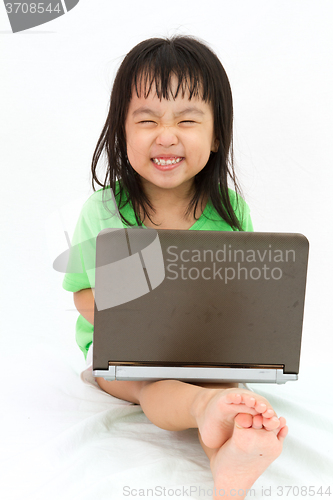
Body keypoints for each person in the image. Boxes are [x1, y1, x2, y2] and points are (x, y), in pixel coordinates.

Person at [62, 36, 288, 499]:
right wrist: (131, 326)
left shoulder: (230, 212)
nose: (167, 136)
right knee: (155, 384)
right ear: (122, 131)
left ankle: (230, 458)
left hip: (205, 349)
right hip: (125, 358)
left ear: (217, 133)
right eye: (147, 121)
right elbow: (83, 293)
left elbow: (243, 294)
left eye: (187, 120)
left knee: (227, 383)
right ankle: (207, 407)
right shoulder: (102, 211)